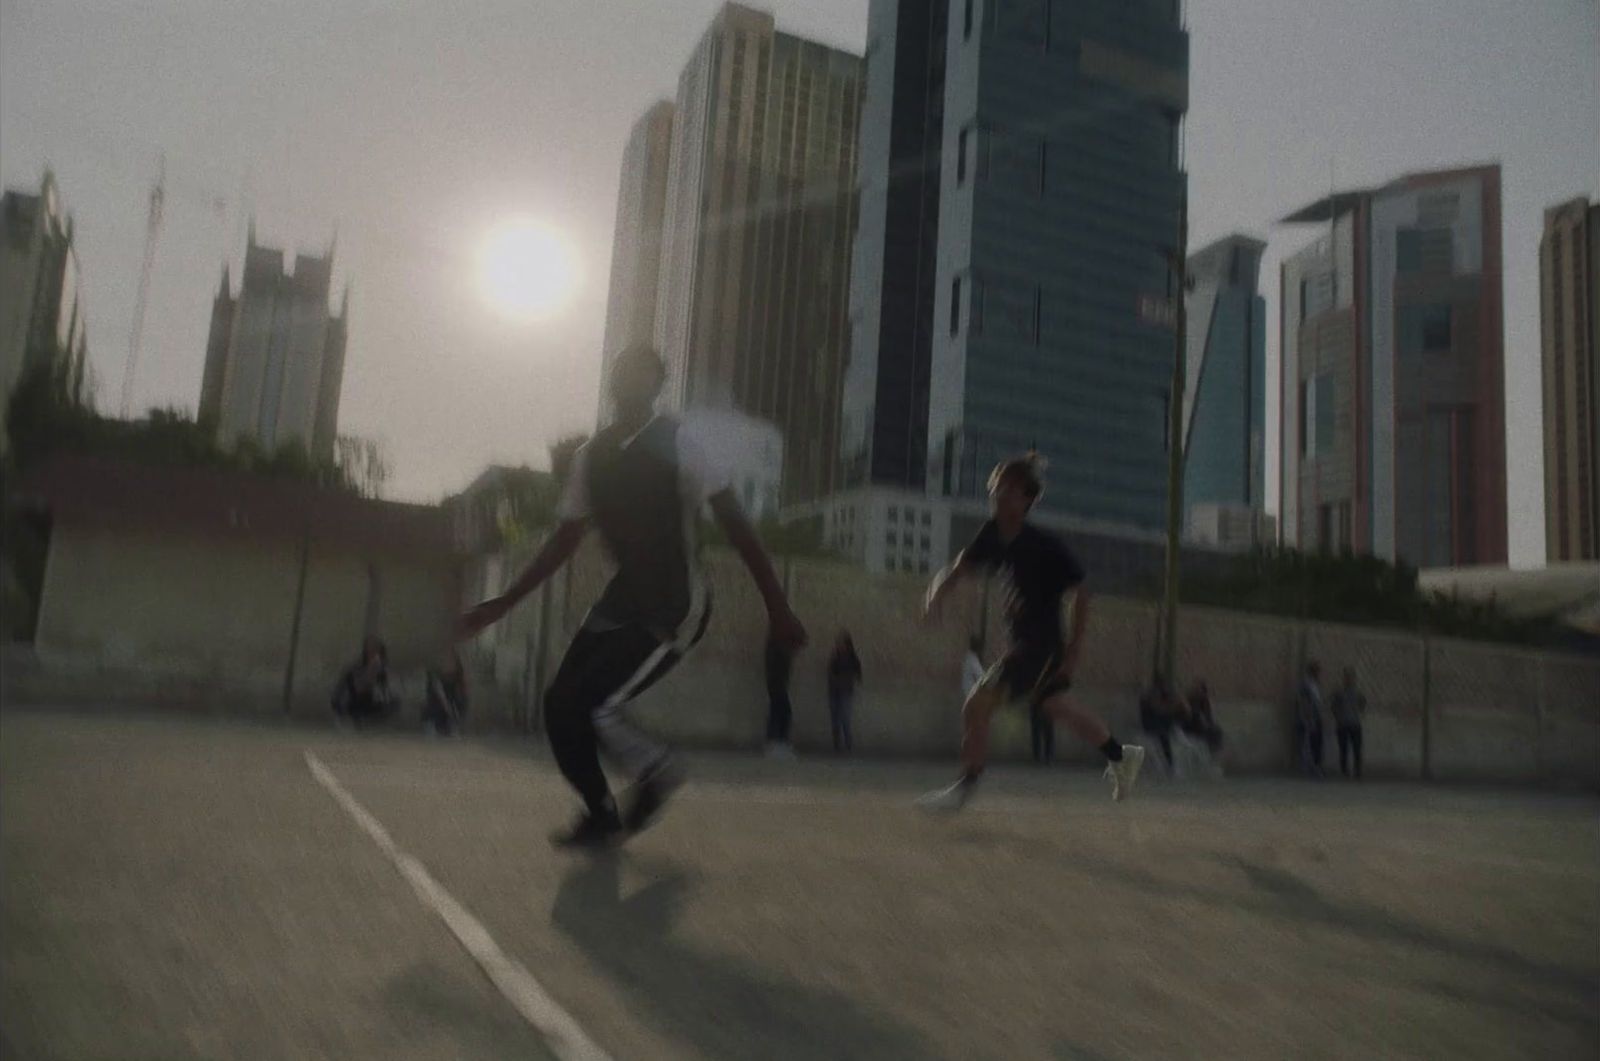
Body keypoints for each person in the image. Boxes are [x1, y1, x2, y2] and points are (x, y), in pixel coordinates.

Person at [458, 345, 807, 849]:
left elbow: (737, 525)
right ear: (612, 381)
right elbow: (564, 539)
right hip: (622, 601)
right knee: (559, 704)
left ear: (657, 385)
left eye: (642, 372)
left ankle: (656, 769)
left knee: (594, 704)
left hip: (675, 602)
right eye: (622, 369)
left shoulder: (681, 443)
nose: (629, 378)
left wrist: (779, 609)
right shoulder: (591, 458)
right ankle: (600, 812)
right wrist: (503, 602)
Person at [918, 452, 1144, 809]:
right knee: (1056, 706)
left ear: (1026, 499)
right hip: (1026, 644)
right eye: (995, 488)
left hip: (1039, 647)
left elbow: (1083, 591)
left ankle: (964, 787)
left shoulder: (1044, 546)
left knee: (976, 704)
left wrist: (1073, 652)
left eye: (1008, 490)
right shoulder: (991, 534)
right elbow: (958, 569)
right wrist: (935, 597)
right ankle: (1121, 755)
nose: (998, 495)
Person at [332, 636, 398, 728]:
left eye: (376, 651)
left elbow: (389, 693)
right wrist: (371, 672)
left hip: (371, 707)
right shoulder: (355, 669)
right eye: (371, 651)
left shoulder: (384, 670)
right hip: (351, 705)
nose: (373, 655)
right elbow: (356, 689)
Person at [1139, 671, 1185, 772]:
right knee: (1164, 736)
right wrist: (1172, 707)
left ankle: (1176, 733)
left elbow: (1184, 710)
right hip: (1150, 724)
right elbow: (1158, 709)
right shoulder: (1150, 694)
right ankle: (1169, 763)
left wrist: (1177, 702)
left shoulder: (1164, 694)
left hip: (1160, 723)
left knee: (1167, 728)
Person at [826, 631, 863, 753]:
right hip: (835, 691)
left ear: (847, 645)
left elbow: (858, 673)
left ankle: (848, 746)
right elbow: (830, 672)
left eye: (841, 643)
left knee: (845, 719)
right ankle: (837, 746)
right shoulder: (835, 657)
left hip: (846, 692)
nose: (838, 645)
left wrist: (849, 679)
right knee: (835, 720)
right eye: (838, 643)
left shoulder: (852, 658)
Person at [1330, 667, 1367, 778]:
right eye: (1347, 677)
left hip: (1355, 724)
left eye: (1350, 677)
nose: (1349, 679)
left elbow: (1363, 704)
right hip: (1343, 724)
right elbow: (1333, 706)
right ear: (1344, 678)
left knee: (1357, 749)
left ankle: (1357, 771)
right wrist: (1338, 717)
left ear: (1354, 679)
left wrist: (1358, 713)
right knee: (1343, 749)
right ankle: (1344, 771)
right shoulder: (1339, 692)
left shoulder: (1358, 693)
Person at [764, 634, 798, 758]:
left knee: (779, 712)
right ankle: (777, 742)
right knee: (781, 712)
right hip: (777, 685)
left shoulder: (776, 650)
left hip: (777, 685)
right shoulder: (778, 651)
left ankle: (777, 742)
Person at [423, 649, 469, 736]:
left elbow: (464, 689)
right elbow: (438, 691)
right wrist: (448, 708)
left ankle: (450, 726)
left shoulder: (457, 678)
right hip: (435, 715)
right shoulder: (435, 676)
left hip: (449, 716)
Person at [1296, 661, 1327, 778]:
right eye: (1316, 670)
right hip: (1310, 717)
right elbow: (1304, 701)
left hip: (1316, 716)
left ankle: (1315, 766)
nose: (1318, 673)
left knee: (1317, 742)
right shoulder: (1305, 684)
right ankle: (1310, 767)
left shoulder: (1316, 684)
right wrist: (1307, 716)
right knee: (1309, 742)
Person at [1182, 679, 1224, 754]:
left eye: (1199, 690)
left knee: (1216, 731)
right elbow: (1188, 714)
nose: (1197, 691)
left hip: (1199, 725)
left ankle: (1214, 751)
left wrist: (1209, 724)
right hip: (1189, 725)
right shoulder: (1189, 699)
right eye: (1196, 689)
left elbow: (1208, 716)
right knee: (1209, 731)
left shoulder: (1204, 701)